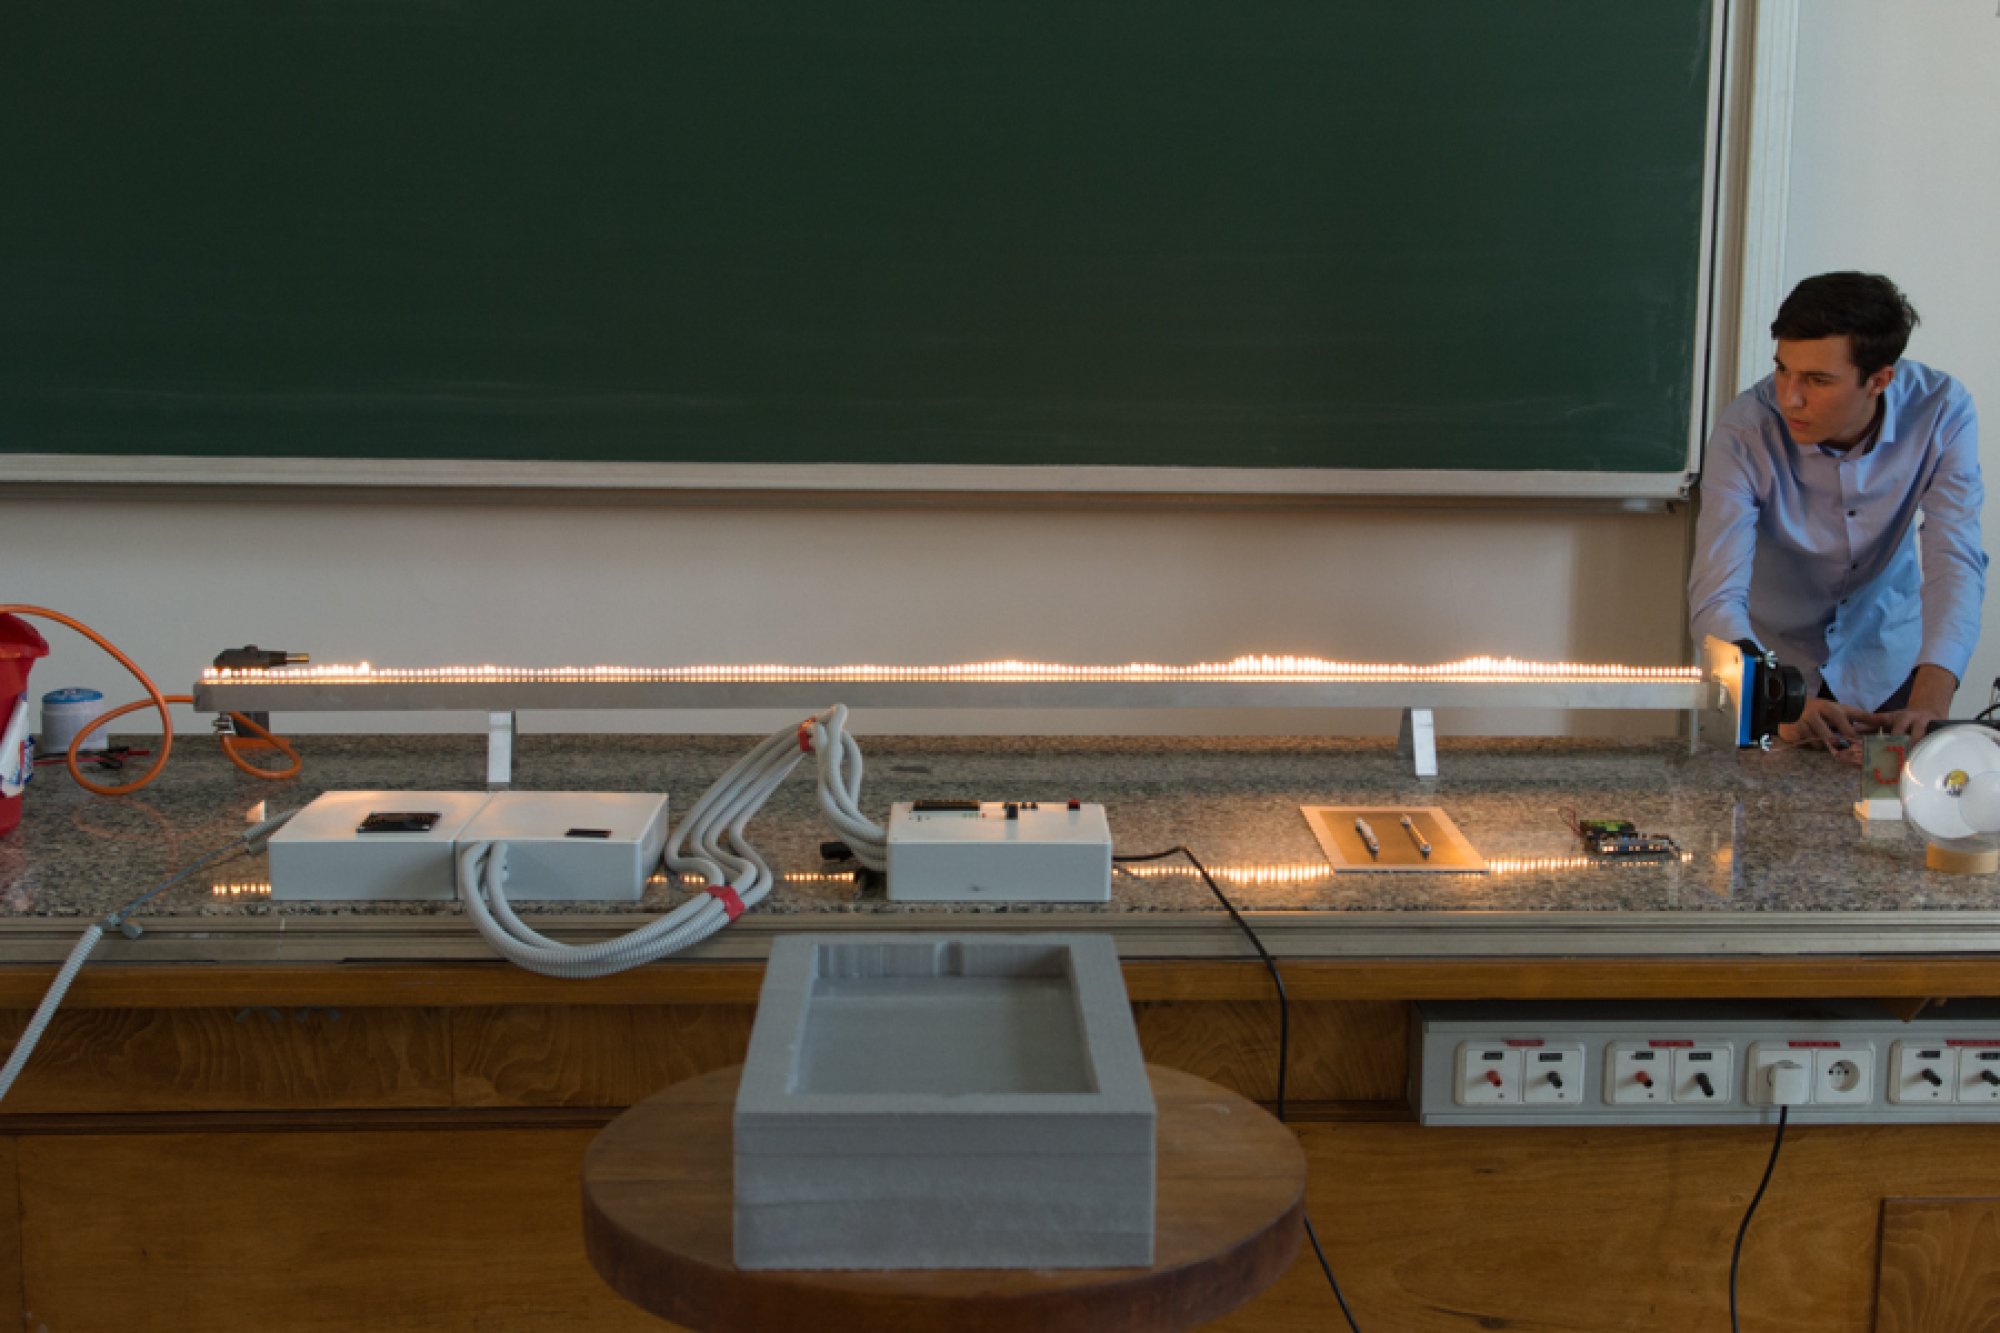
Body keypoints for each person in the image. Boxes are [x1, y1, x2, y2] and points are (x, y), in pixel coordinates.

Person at [1688, 272, 1985, 750]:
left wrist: (1931, 698)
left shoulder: (1941, 412)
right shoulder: (1745, 431)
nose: (1790, 397)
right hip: (1772, 669)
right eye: (1783, 370)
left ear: (1879, 380)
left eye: (1817, 380)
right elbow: (1716, 594)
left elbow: (1956, 559)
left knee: (1896, 798)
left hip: (1886, 664)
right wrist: (1772, 701)